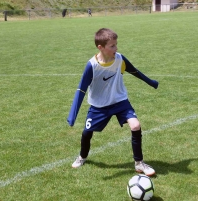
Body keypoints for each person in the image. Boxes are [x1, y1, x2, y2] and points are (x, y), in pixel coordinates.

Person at [67, 28, 159, 176]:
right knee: (87, 133)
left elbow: (135, 71)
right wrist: (73, 114)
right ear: (100, 47)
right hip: (99, 106)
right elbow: (81, 90)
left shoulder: (120, 59)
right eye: (112, 46)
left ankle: (139, 163)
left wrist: (151, 82)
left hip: (120, 101)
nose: (116, 48)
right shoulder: (92, 66)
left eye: (116, 44)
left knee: (135, 126)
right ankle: (82, 157)